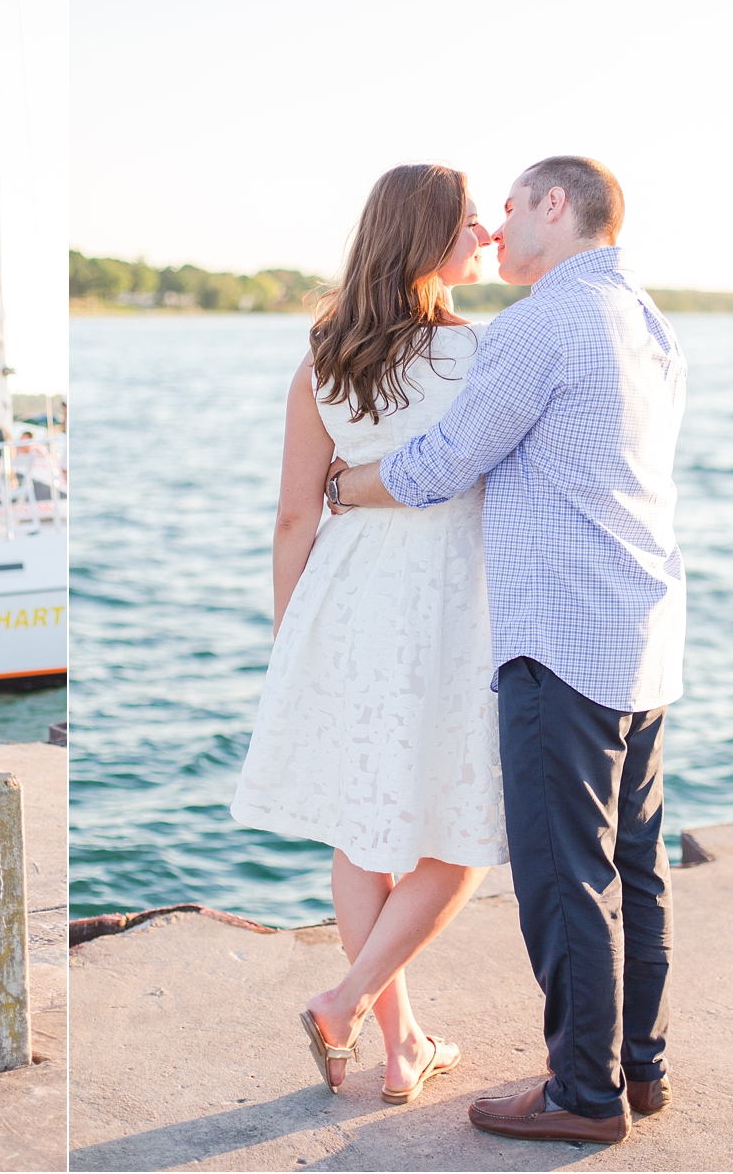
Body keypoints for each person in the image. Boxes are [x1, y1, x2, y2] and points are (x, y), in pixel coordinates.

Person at [327, 157, 686, 1144]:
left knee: (561, 875)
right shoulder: (645, 322)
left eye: (515, 206)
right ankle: (636, 1069)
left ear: (556, 207)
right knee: (635, 868)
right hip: (642, 631)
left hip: (558, 639)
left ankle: (580, 1093)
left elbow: (446, 463)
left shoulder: (538, 325)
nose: (497, 227)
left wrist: (343, 487)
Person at [230, 164, 502, 1105]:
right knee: (458, 834)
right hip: (448, 603)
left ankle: (399, 1044)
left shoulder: (323, 358)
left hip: (345, 599)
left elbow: (293, 517)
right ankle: (353, 1007)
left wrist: (286, 635)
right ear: (430, 238)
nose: (488, 235)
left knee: (363, 829)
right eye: (471, 222)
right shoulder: (487, 356)